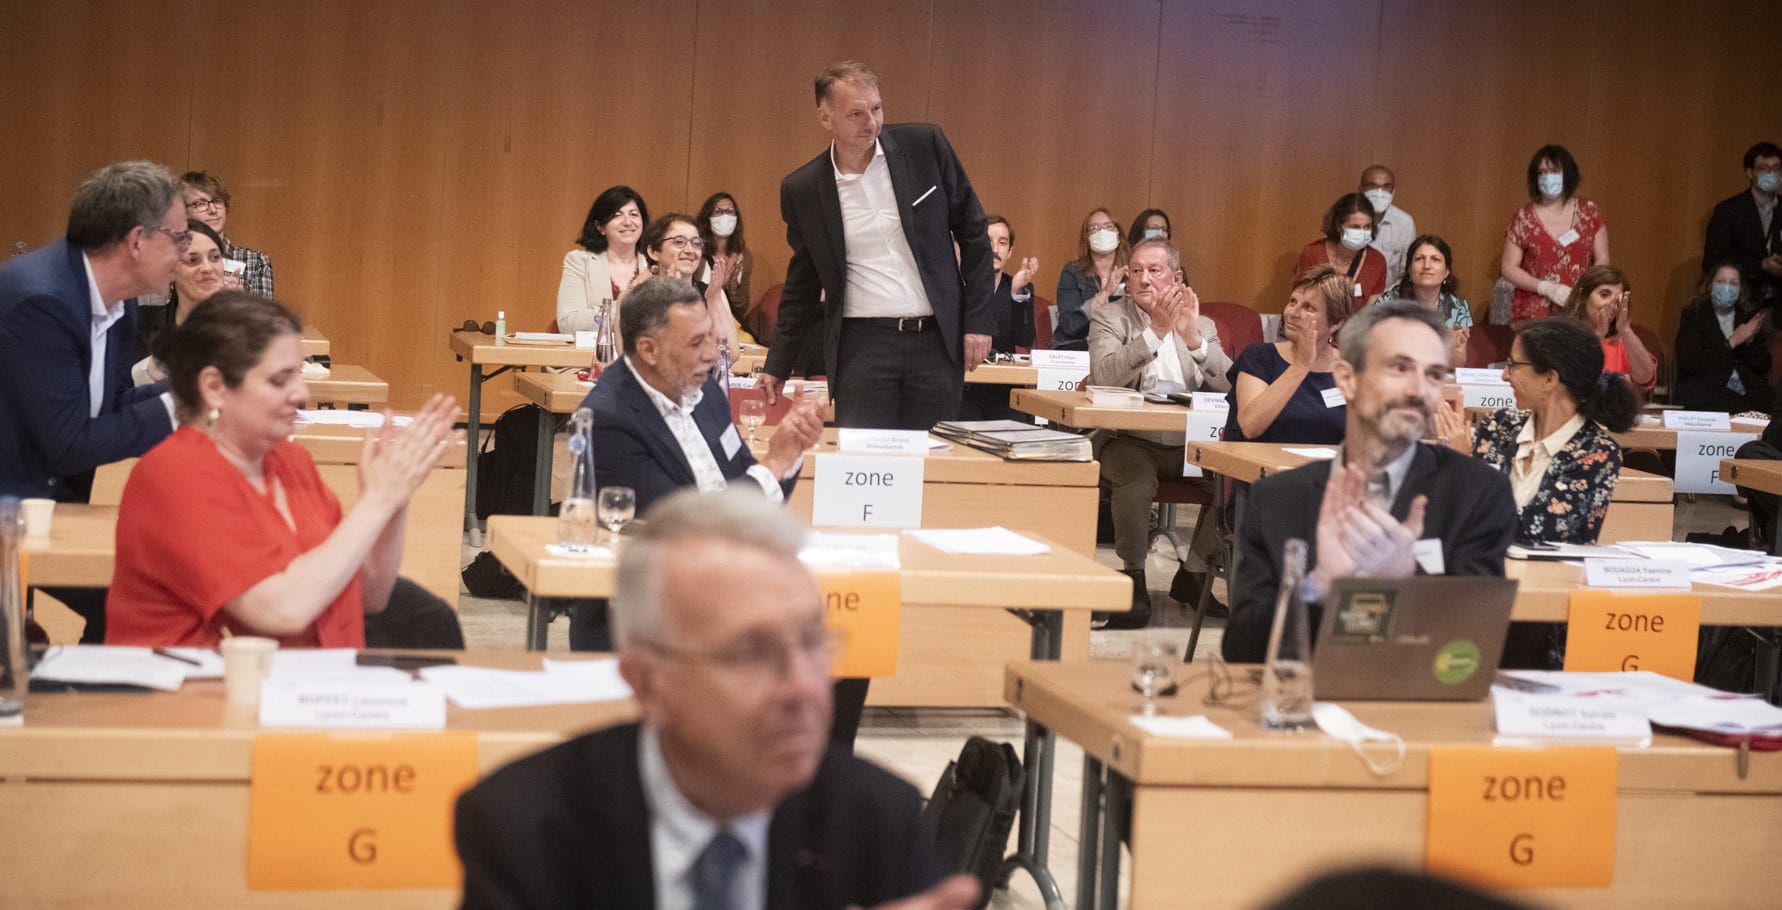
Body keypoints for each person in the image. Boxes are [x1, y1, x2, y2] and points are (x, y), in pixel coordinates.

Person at [454, 488, 978, 910]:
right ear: (646, 681)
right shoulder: (526, 829)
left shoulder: (875, 816)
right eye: (751, 654)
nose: (802, 688)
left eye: (813, 643)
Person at [104, 292, 461, 648]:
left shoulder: (290, 462)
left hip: (304, 687)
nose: (300, 393)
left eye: (299, 376)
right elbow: (281, 610)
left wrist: (396, 495)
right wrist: (378, 501)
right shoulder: (173, 474)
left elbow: (371, 594)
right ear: (214, 388)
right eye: (280, 380)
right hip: (193, 694)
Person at [1222, 301, 1517, 663]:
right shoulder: (1279, 499)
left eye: (1433, 374)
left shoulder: (1476, 492)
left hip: (1422, 712)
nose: (1418, 390)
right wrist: (1321, 586)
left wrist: (1407, 580)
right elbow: (1241, 650)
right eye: (1400, 368)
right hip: (1307, 705)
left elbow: (1477, 650)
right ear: (1347, 379)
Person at [0, 161, 186, 641]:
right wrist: (180, 408)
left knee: (152, 590)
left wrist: (196, 390)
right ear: (137, 241)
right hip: (15, 504)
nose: (184, 254)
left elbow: (111, 405)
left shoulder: (114, 299)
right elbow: (70, 443)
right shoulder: (39, 301)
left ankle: (82, 692)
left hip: (42, 496)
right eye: (179, 239)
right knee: (145, 596)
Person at [761, 61, 996, 431]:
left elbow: (973, 231)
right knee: (866, 466)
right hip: (862, 348)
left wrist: (979, 321)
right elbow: (802, 282)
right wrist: (778, 362)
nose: (870, 123)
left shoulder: (925, 147)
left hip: (935, 342)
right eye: (855, 113)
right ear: (826, 119)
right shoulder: (803, 190)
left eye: (876, 108)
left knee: (929, 464)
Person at [1088, 238, 1231, 629]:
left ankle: (1195, 572)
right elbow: (1104, 377)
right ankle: (1133, 578)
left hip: (1190, 443)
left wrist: (1193, 341)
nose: (1144, 279)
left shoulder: (1203, 324)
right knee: (1135, 482)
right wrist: (1154, 333)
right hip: (1129, 440)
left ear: (1177, 278)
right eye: (1136, 271)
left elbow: (1232, 387)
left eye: (1155, 270)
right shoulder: (1109, 318)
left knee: (1235, 480)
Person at [1225, 266, 1350, 445]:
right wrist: (1301, 366)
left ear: (1336, 322)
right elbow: (1250, 427)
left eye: (1308, 307)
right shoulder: (1259, 357)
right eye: (1292, 302)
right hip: (1265, 469)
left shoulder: (1351, 368)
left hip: (1328, 470)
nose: (1292, 313)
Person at [1501, 144, 1609, 327]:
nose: (1548, 178)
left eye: (1554, 171)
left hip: (1579, 309)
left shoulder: (1590, 212)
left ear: (1568, 174)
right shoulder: (1523, 217)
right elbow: (1508, 267)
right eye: (1542, 172)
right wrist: (1545, 287)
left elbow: (1603, 259)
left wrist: (1583, 290)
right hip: (1533, 313)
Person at [132, 219, 239, 385]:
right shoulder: (141, 323)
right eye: (192, 260)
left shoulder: (246, 329)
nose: (207, 268)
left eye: (215, 257)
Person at [957, 214, 1037, 420]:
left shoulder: (1019, 286)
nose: (994, 249)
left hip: (1003, 390)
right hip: (964, 387)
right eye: (988, 241)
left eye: (1002, 243)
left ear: (1009, 252)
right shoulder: (957, 286)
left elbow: (1025, 338)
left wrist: (1017, 293)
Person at [1673, 260, 1771, 413]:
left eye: (1733, 283)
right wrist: (1732, 342)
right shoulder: (1693, 316)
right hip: (1705, 398)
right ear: (1710, 284)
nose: (1726, 287)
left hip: (1746, 399)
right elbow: (1690, 362)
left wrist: (1750, 341)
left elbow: (1764, 365)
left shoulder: (1746, 317)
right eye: (1721, 281)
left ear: (1740, 289)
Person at [639, 213, 744, 354]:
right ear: (653, 252)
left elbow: (731, 355)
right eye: (679, 242)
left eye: (696, 244)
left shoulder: (712, 294)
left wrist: (714, 301)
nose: (690, 250)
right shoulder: (638, 297)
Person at [557, 185, 650, 334]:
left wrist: (599, 313)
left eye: (634, 214)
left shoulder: (653, 267)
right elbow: (568, 323)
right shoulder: (579, 262)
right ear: (600, 227)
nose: (627, 222)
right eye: (617, 215)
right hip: (592, 355)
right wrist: (627, 305)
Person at [1704, 141, 1782, 313]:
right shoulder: (1729, 211)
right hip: (1742, 304)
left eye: (1776, 168)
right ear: (1750, 173)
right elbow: (1713, 261)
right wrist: (1761, 265)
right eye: (1763, 168)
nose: (1771, 174)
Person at [1373, 234, 1471, 368]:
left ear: (1446, 272)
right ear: (1409, 269)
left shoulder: (1457, 307)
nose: (1426, 266)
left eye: (1435, 259)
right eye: (1419, 259)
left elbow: (1457, 364)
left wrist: (1450, 347)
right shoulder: (1388, 303)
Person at [1557, 264, 1656, 393]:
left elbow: (1645, 377)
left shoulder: (1623, 341)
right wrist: (1598, 334)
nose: (1612, 304)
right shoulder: (1561, 337)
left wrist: (1625, 329)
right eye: (1604, 294)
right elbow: (1568, 380)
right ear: (1582, 297)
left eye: (1618, 299)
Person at [179, 170, 273, 297]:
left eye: (217, 201)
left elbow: (265, 316)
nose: (213, 210)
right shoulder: (173, 259)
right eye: (200, 204)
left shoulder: (255, 261)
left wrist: (238, 303)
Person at [1054, 207, 1128, 352]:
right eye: (1094, 228)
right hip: (1080, 347)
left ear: (1118, 235)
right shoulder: (1073, 272)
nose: (1102, 232)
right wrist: (1105, 293)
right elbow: (1070, 325)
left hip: (1122, 350)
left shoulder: (1131, 271)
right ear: (1087, 238)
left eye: (1108, 226)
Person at [1295, 193, 1387, 303]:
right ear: (1339, 226)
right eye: (1355, 227)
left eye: (1367, 227)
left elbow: (1372, 311)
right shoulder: (1313, 253)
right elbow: (1301, 300)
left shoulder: (1377, 261)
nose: (1362, 233)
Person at [696, 191, 755, 336]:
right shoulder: (696, 252)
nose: (724, 216)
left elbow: (742, 306)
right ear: (707, 218)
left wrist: (730, 285)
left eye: (730, 211)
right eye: (718, 211)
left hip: (730, 322)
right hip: (699, 322)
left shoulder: (743, 256)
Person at [1359, 165, 1416, 286]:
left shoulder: (1404, 223)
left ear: (1393, 191)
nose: (1379, 193)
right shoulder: (1346, 218)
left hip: (1388, 297)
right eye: (1372, 186)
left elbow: (1407, 270)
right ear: (1361, 190)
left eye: (1386, 187)